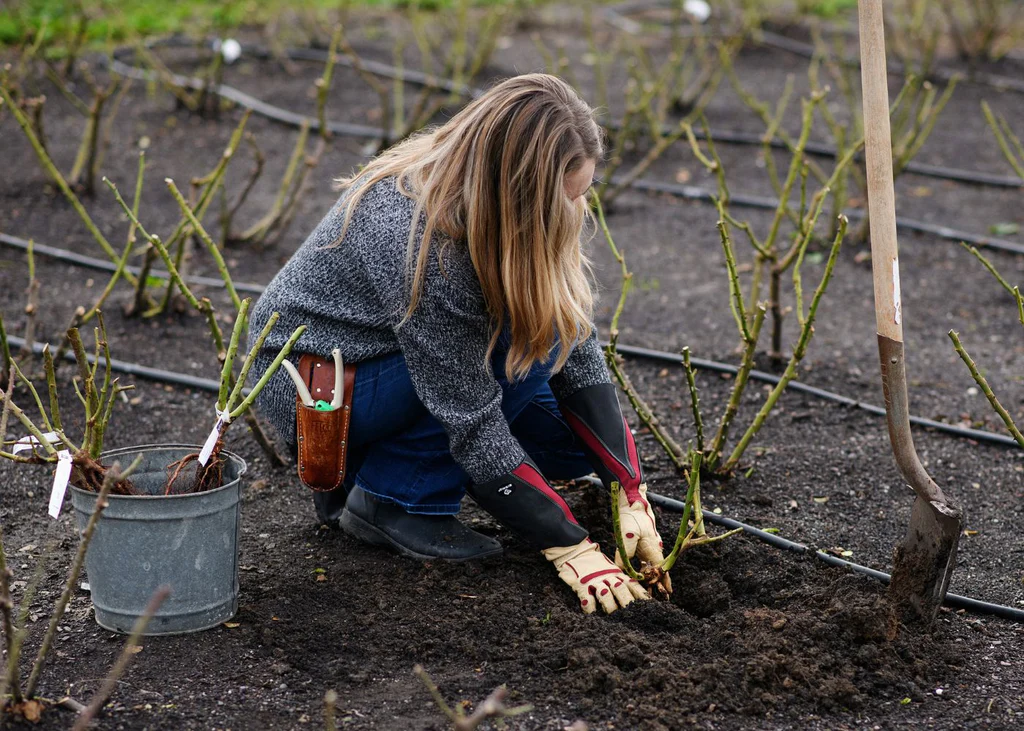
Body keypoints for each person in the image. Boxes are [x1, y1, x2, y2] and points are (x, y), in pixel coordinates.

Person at [249, 74, 669, 614]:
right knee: (508, 350)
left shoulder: (498, 207)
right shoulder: (418, 238)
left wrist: (628, 486)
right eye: (564, 198)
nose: (574, 210)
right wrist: (568, 544)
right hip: (318, 386)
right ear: (519, 193)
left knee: (568, 443)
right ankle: (394, 500)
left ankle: (387, 468)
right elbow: (470, 412)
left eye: (582, 193)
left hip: (393, 364)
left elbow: (571, 336)